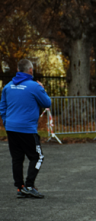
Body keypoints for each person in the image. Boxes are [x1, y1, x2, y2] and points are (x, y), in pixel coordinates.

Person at [0, 58, 51, 199]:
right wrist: (42, 89)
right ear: (30, 71)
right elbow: (47, 102)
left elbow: (2, 107)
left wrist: (7, 122)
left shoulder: (8, 86)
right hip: (27, 129)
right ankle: (29, 185)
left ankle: (20, 187)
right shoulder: (34, 86)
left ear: (17, 70)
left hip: (11, 127)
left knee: (17, 158)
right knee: (37, 156)